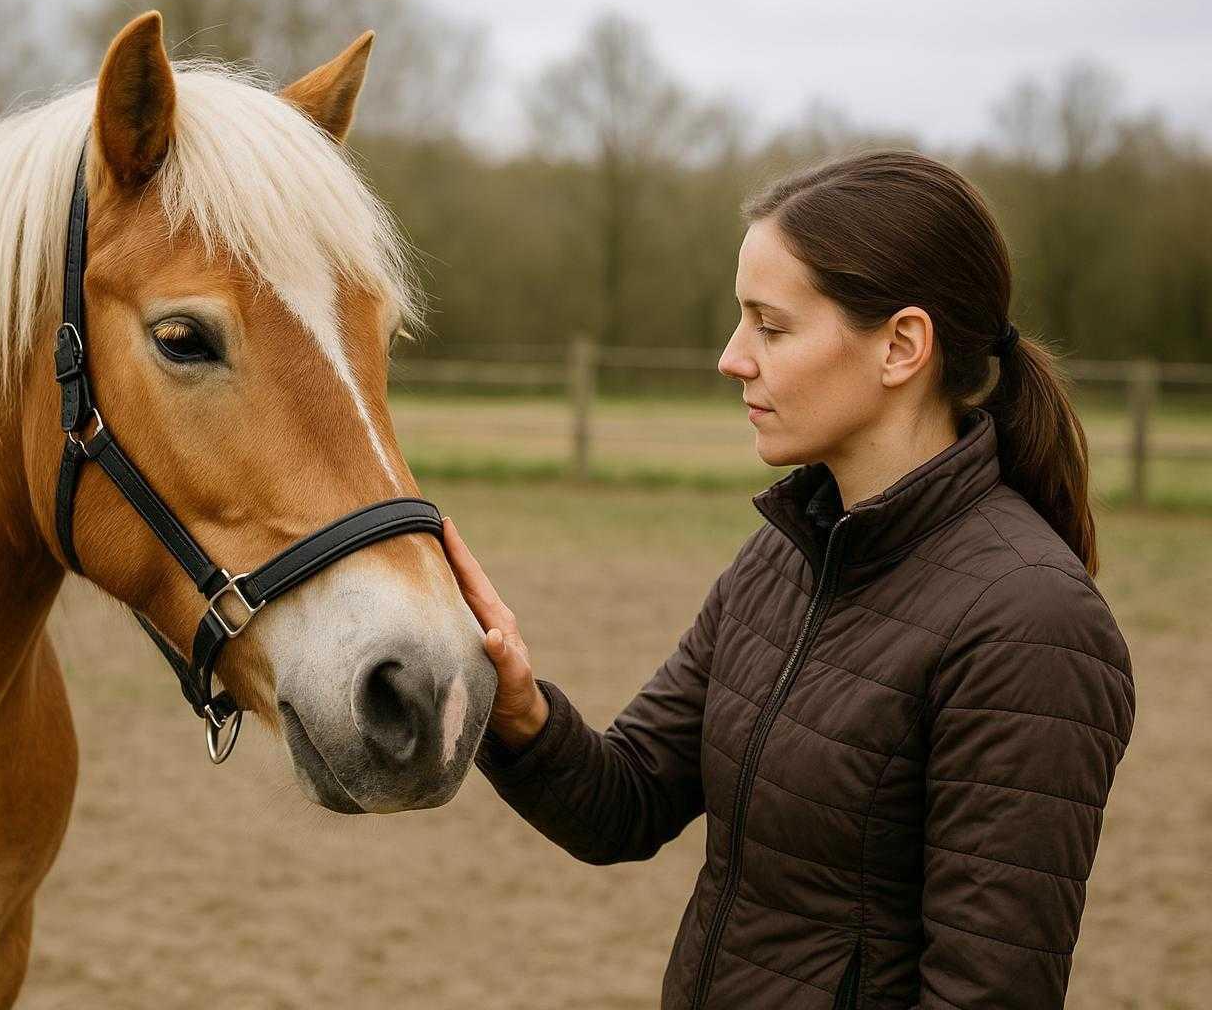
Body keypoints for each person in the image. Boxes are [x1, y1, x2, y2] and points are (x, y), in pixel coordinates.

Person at [441, 149, 1136, 1009]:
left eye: (771, 327)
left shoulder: (1033, 623)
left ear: (902, 346)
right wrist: (519, 711)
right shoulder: (785, 553)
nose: (734, 358)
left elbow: (987, 992)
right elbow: (624, 805)